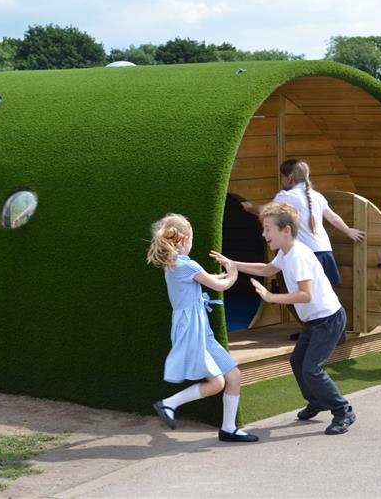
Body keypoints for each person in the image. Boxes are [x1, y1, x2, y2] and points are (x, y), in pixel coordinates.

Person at [212, 202, 356, 435]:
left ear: (285, 230)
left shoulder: (298, 256)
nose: (263, 233)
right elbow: (267, 269)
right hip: (316, 320)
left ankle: (343, 411)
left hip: (328, 319)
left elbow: (305, 294)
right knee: (297, 362)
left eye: (268, 229)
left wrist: (271, 297)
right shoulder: (286, 252)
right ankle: (317, 401)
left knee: (311, 369)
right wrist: (232, 264)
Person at [147, 213, 258, 443]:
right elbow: (220, 285)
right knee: (218, 382)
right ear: (185, 239)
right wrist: (233, 273)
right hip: (192, 330)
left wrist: (225, 273)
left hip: (199, 330)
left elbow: (206, 279)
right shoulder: (186, 264)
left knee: (233, 376)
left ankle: (228, 429)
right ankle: (169, 404)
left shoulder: (176, 264)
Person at [241, 159, 365, 340]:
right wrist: (348, 230)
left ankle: (319, 332)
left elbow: (264, 211)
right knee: (324, 293)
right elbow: (333, 217)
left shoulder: (285, 197)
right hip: (324, 250)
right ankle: (331, 332)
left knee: (300, 294)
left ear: (289, 178)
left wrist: (248, 207)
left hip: (304, 254)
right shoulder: (317, 196)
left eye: (282, 177)